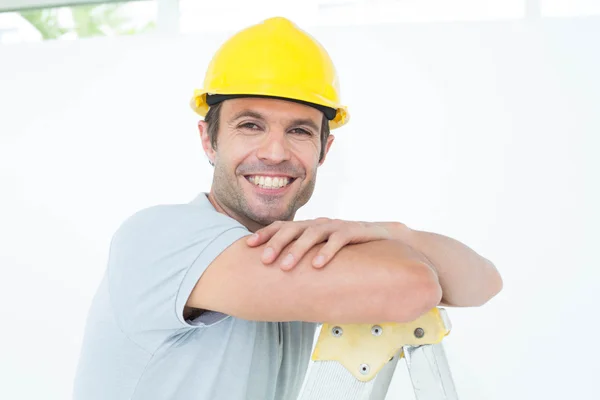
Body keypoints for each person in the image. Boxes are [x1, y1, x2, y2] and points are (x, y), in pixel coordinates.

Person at [73, 16, 502, 400]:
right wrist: (386, 246)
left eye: (298, 130)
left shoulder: (295, 250)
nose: (275, 152)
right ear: (208, 139)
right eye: (250, 125)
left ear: (323, 149)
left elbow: (482, 283)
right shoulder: (160, 237)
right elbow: (413, 286)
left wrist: (391, 231)